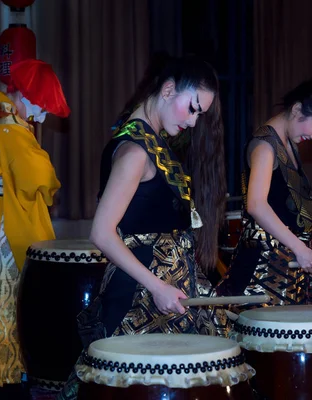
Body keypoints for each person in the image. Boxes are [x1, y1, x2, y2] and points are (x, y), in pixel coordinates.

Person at [56, 55, 228, 399]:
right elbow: (101, 233)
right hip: (145, 293)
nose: (194, 122)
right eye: (192, 108)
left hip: (165, 284)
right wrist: (159, 287)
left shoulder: (151, 140)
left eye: (200, 114)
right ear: (168, 90)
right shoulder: (135, 151)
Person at [0, 59, 68, 396]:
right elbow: (39, 178)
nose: (42, 115)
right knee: (1, 308)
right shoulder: (10, 127)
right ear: (23, 95)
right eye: (41, 106)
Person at [216, 78, 312, 308]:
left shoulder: (288, 143)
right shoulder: (265, 147)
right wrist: (300, 248)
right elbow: (256, 205)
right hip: (265, 264)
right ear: (297, 109)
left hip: (285, 260)